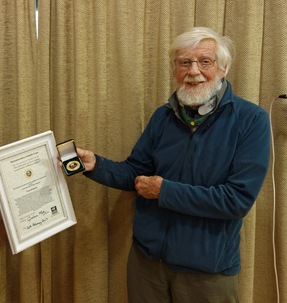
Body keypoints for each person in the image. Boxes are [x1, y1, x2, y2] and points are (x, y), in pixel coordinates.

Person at [66, 27, 270, 302]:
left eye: (205, 62)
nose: (193, 71)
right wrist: (95, 165)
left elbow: (236, 200)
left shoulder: (251, 120)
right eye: (184, 62)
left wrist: (165, 191)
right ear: (175, 70)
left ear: (223, 69)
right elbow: (136, 173)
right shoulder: (162, 117)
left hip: (207, 271)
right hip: (147, 263)